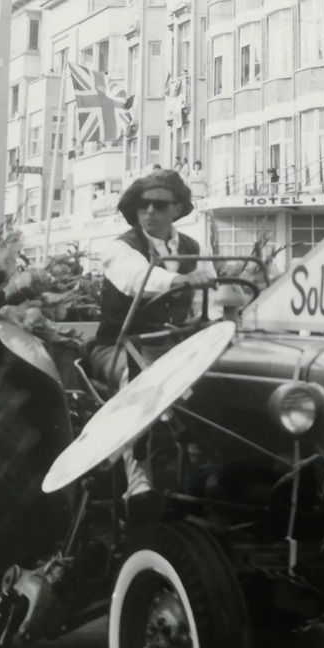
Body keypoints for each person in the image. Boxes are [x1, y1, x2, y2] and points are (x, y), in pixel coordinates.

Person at [88, 169, 216, 512]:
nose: (150, 212)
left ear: (177, 209)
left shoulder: (193, 248)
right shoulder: (121, 249)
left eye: (159, 205)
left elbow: (216, 302)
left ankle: (202, 466)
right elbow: (137, 279)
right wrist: (181, 282)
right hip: (119, 347)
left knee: (223, 375)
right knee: (140, 378)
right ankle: (138, 481)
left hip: (175, 347)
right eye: (143, 205)